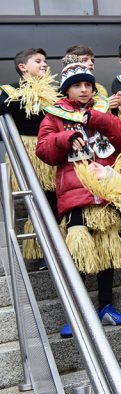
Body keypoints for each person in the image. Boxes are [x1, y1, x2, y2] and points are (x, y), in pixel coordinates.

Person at [36, 63, 121, 338]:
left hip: (103, 192)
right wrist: (67, 137)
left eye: (88, 85)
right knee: (79, 255)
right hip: (75, 197)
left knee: (107, 253)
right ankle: (76, 314)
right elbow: (44, 151)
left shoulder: (101, 110)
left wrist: (97, 119)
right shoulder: (54, 115)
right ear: (67, 89)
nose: (84, 89)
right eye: (78, 85)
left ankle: (106, 307)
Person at [1, 48, 59, 260]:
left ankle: (58, 250)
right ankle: (43, 252)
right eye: (38, 61)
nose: (44, 64)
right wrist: (30, 92)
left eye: (45, 61)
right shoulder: (10, 91)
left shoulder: (55, 92)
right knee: (36, 201)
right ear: (23, 67)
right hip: (28, 154)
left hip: (51, 152)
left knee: (54, 200)